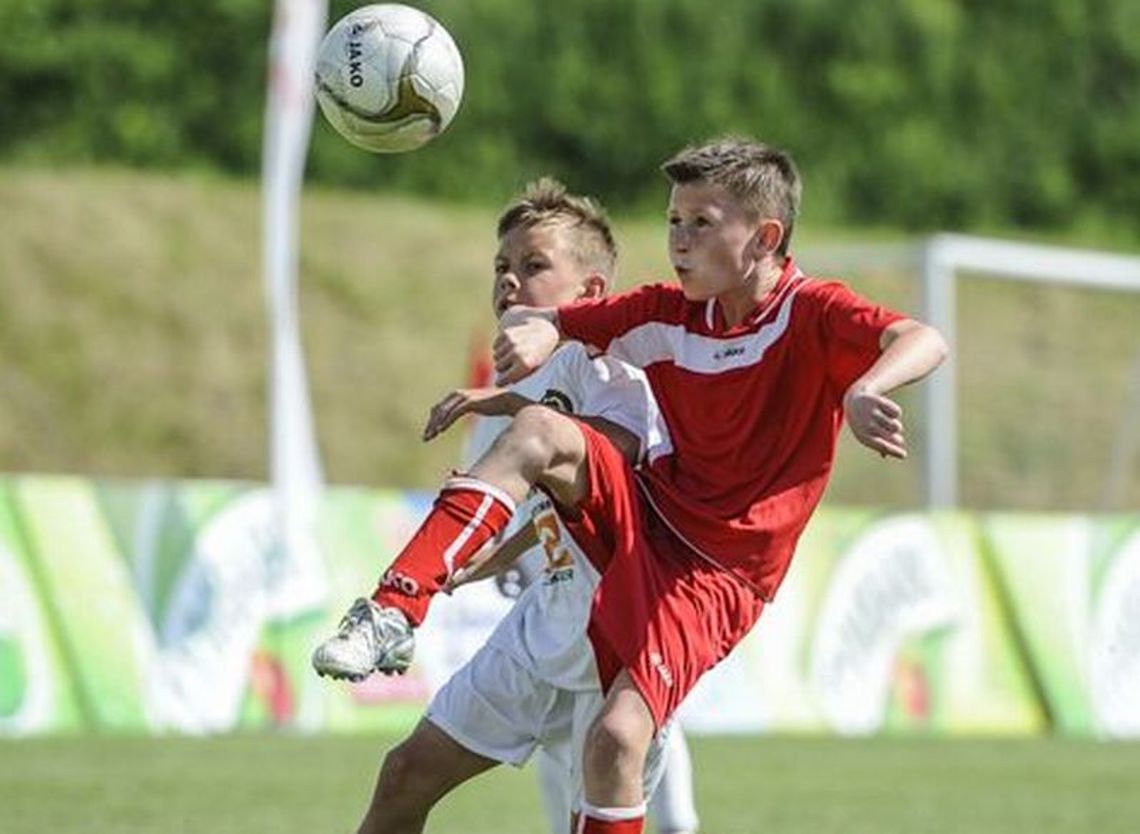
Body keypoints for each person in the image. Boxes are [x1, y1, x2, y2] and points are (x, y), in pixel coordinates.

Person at [320, 136, 947, 833]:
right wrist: (532, 340)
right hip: (637, 525)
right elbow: (561, 327)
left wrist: (867, 388)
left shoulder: (814, 313)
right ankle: (393, 609)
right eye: (673, 221)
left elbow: (923, 338)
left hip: (715, 576)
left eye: (699, 224)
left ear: (765, 237)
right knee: (406, 773)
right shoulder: (664, 312)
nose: (677, 240)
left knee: (617, 739)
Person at [314, 178, 697, 834]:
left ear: (591, 294)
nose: (509, 281)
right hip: (543, 627)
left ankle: (394, 607)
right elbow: (551, 500)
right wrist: (489, 557)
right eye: (502, 266)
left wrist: (514, 411)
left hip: (620, 644)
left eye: (534, 265)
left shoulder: (609, 368)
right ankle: (398, 607)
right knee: (405, 774)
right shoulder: (521, 383)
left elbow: (612, 457)